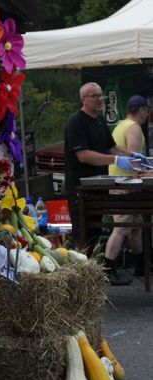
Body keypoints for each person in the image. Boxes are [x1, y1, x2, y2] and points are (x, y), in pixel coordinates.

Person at [63, 82, 146, 262]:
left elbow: (112, 147)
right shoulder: (76, 122)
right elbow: (83, 155)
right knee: (83, 235)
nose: (100, 99)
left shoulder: (100, 120)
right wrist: (116, 160)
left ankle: (97, 272)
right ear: (83, 99)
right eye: (95, 96)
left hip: (98, 186)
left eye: (101, 95)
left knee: (96, 232)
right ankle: (81, 273)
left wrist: (133, 156)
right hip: (80, 189)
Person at [104, 95, 150, 281]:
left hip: (122, 182)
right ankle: (107, 269)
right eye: (147, 110)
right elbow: (135, 161)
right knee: (122, 227)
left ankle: (141, 264)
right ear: (142, 110)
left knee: (135, 226)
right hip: (124, 184)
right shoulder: (134, 127)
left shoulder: (121, 125)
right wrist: (148, 172)